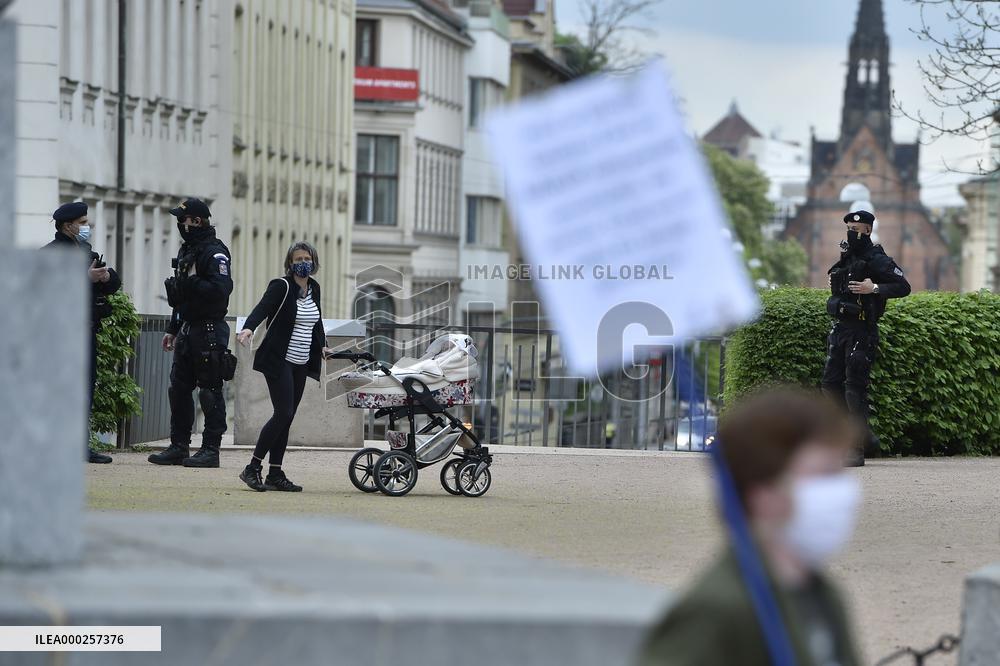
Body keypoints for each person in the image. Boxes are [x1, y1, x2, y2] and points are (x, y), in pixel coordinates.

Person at [638, 388, 864, 666]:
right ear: (762, 494)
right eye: (823, 474)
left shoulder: (823, 596)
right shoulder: (720, 610)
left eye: (838, 472)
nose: (843, 490)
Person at [148, 198, 234, 468]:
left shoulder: (214, 252)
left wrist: (193, 280)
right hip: (188, 328)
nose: (179, 225)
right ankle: (179, 445)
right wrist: (173, 328)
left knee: (209, 390)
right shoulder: (189, 250)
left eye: (182, 220)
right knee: (179, 389)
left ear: (196, 221)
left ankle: (211, 449)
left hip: (209, 329)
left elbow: (221, 291)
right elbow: (181, 294)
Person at [235, 242, 327, 492]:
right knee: (283, 413)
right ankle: (252, 467)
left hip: (301, 362)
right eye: (298, 259)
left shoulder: (314, 288)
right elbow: (262, 308)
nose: (303, 262)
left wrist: (323, 345)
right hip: (279, 359)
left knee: (287, 418)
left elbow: (316, 321)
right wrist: (248, 328)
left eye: (307, 258)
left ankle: (275, 473)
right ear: (290, 263)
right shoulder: (282, 286)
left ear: (314, 261)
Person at [823, 210, 910, 466]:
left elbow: (903, 286)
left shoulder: (877, 259)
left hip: (862, 330)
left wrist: (873, 288)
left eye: (856, 229)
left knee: (854, 389)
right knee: (829, 385)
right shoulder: (847, 257)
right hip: (841, 329)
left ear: (868, 230)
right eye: (849, 227)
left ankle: (856, 448)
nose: (851, 232)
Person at [43, 201, 122, 464]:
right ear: (68, 225)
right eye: (83, 222)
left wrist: (107, 277)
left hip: (85, 330)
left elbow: (113, 284)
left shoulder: (86, 251)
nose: (86, 227)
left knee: (84, 389)